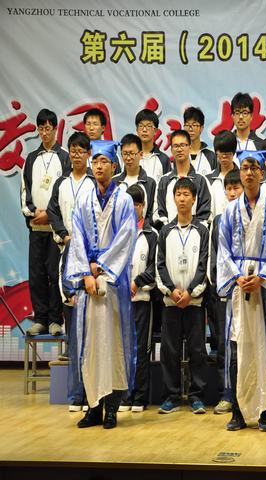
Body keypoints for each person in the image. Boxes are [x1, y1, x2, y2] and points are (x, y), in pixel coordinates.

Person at [64, 139, 137, 429]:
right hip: (88, 284)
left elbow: (126, 238)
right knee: (90, 346)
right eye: (95, 161)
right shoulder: (84, 200)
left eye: (104, 161)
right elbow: (77, 239)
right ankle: (93, 406)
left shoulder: (124, 200)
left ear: (114, 166)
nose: (98, 166)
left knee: (113, 345)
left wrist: (101, 268)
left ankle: (112, 408)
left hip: (112, 284)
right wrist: (85, 274)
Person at [217, 150, 266, 432]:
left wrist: (262, 276)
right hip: (238, 287)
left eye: (254, 168)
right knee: (238, 347)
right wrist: (237, 276)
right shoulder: (230, 210)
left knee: (265, 347)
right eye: (244, 167)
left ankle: (264, 411)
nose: (248, 173)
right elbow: (223, 249)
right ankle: (237, 410)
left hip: (263, 288)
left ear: (262, 173)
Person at [47, 132, 95, 411]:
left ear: (89, 154)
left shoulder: (94, 183)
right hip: (67, 250)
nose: (77, 155)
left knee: (94, 341)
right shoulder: (62, 183)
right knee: (75, 340)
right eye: (73, 151)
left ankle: (92, 394)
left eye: (81, 151)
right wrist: (65, 235)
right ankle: (76, 395)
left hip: (91, 254)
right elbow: (53, 212)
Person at [156, 177, 210, 414]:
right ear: (173, 198)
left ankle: (197, 396)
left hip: (194, 301)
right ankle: (172, 396)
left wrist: (190, 293)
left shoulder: (202, 231)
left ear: (194, 199)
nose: (182, 199)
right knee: (170, 351)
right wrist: (171, 290)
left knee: (197, 350)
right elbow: (159, 265)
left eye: (186, 194)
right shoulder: (165, 232)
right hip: (171, 301)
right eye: (178, 194)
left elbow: (204, 266)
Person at [21, 108, 71, 336]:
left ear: (55, 129)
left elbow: (67, 192)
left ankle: (55, 320)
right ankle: (40, 318)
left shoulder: (65, 157)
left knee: (54, 274)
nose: (44, 133)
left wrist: (51, 216)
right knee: (37, 275)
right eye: (41, 128)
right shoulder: (31, 158)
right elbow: (25, 191)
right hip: (36, 228)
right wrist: (33, 212)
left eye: (48, 128)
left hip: (55, 230)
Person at [117, 184, 158, 413]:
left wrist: (137, 282)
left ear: (142, 206)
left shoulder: (152, 235)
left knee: (141, 349)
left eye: (136, 204)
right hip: (121, 300)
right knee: (123, 349)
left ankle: (140, 397)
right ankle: (125, 395)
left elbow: (154, 266)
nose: (133, 208)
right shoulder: (118, 233)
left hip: (142, 299)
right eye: (128, 204)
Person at [208, 170, 244, 415]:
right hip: (226, 293)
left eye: (236, 188)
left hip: (248, 290)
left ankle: (249, 394)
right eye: (228, 189)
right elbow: (215, 258)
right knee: (225, 346)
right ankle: (227, 394)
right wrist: (222, 286)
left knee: (247, 345)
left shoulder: (255, 216)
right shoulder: (219, 221)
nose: (232, 193)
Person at [154, 130, 212, 229]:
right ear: (171, 149)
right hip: (169, 234)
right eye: (176, 146)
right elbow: (159, 212)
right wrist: (170, 231)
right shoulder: (164, 181)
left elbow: (205, 213)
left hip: (195, 234)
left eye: (183, 145)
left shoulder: (201, 180)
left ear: (190, 147)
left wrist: (193, 232)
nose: (179, 149)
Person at [113, 134, 156, 224]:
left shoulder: (150, 182)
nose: (128, 158)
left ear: (141, 154)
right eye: (125, 154)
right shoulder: (114, 182)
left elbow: (152, 213)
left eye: (132, 153)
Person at [206, 130, 239, 217]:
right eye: (221, 152)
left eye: (227, 153)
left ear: (233, 152)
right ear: (216, 153)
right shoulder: (207, 180)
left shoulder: (242, 177)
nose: (224, 156)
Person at [135, 109, 171, 184]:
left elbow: (167, 185)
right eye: (141, 126)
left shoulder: (163, 159)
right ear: (137, 130)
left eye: (149, 126)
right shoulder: (131, 157)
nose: (144, 130)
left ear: (155, 131)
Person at [184, 106, 217, 176]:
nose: (190, 129)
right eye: (187, 125)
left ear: (201, 128)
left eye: (194, 125)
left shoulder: (211, 157)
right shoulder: (180, 154)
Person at [231, 92, 263, 162]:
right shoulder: (227, 144)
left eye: (245, 113)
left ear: (251, 116)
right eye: (237, 113)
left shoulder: (261, 145)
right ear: (232, 116)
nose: (241, 117)